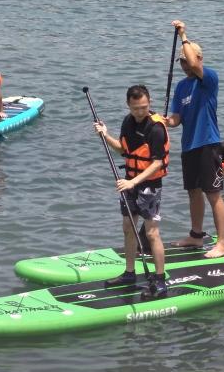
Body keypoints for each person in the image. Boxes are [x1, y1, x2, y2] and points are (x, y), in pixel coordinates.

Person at [94, 85, 168, 298]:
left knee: (151, 232)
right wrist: (105, 135)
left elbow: (157, 163)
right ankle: (129, 273)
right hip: (130, 181)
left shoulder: (156, 128)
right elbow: (123, 151)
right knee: (128, 226)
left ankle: (160, 279)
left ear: (149, 102)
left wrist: (133, 182)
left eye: (144, 107)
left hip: (148, 185)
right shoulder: (127, 121)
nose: (140, 112)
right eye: (136, 108)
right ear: (128, 105)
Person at [166, 20, 224, 258]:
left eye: (186, 60)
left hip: (208, 143)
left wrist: (183, 35)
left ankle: (222, 243)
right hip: (189, 145)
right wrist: (162, 121)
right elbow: (176, 119)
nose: (184, 64)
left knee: (213, 194)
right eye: (180, 61)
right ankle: (196, 236)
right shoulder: (181, 87)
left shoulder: (209, 79)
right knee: (193, 192)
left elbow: (194, 62)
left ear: (198, 59)